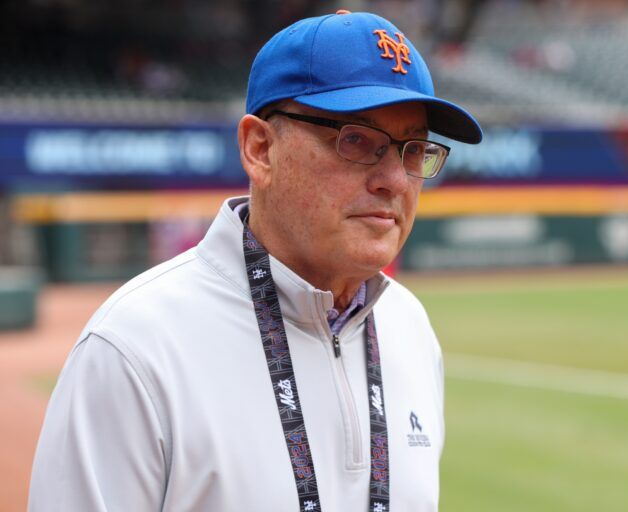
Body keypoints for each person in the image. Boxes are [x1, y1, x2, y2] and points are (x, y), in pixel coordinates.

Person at [29, 10, 482, 512]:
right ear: (259, 148)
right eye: (357, 140)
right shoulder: (135, 346)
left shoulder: (410, 327)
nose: (395, 181)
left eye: (413, 150)